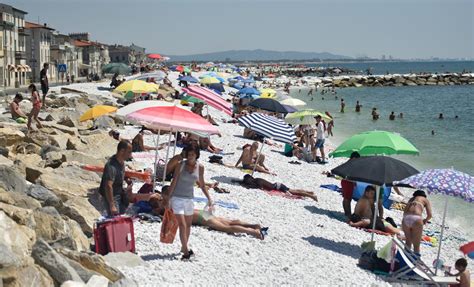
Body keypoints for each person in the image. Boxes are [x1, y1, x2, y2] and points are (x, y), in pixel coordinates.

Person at [163, 144, 213, 260]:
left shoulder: (200, 167)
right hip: (177, 198)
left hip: (189, 199)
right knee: (182, 224)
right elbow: (174, 182)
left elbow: (202, 184)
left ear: (196, 155)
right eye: (189, 154)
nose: (190, 157)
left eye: (192, 154)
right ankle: (186, 251)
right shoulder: (180, 165)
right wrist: (168, 199)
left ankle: (183, 246)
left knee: (188, 225)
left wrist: (209, 198)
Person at [98, 141, 133, 216]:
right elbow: (108, 186)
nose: (130, 155)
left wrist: (126, 179)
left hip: (119, 193)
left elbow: (119, 173)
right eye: (129, 152)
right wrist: (112, 205)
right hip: (111, 196)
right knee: (115, 217)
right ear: (122, 151)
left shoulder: (121, 162)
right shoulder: (111, 166)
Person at [240, 174, 318, 201]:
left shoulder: (258, 181)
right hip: (278, 185)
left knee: (294, 192)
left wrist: (249, 186)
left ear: (250, 178)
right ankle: (309, 192)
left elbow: (260, 188)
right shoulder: (256, 180)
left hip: (278, 187)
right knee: (293, 190)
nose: (248, 181)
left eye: (247, 180)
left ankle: (312, 196)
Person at [402, 190, 432, 254]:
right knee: (416, 245)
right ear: (424, 195)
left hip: (406, 219)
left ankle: (404, 258)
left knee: (408, 241)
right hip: (416, 218)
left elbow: (404, 211)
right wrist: (425, 220)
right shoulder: (425, 199)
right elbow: (429, 215)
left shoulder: (411, 199)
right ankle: (415, 260)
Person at [342, 152, 360, 219]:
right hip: (348, 182)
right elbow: (348, 176)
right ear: (354, 158)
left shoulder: (348, 163)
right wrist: (354, 181)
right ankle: (348, 214)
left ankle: (347, 213)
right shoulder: (351, 164)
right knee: (347, 199)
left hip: (345, 182)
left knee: (346, 198)